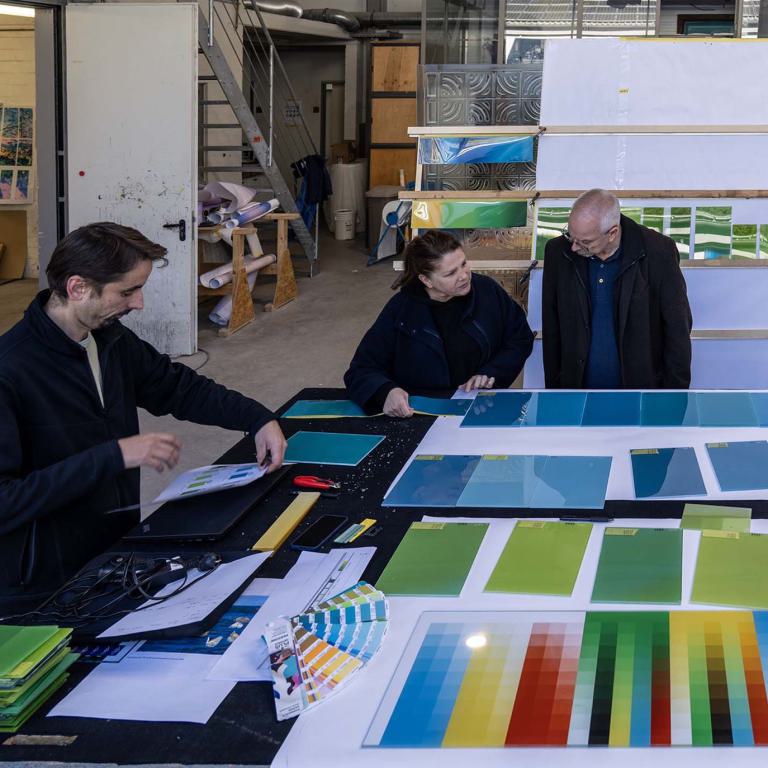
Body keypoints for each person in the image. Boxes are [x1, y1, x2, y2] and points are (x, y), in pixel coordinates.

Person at [0, 222, 287, 611]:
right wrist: (114, 455)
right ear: (78, 287)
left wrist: (256, 418)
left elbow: (177, 387)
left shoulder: (110, 339)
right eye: (127, 291)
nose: (139, 303)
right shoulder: (10, 370)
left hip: (112, 556)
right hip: (44, 586)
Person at [344, 230, 534, 417]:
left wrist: (491, 373)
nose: (464, 276)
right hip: (420, 412)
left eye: (464, 264)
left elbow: (520, 337)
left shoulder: (487, 291)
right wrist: (385, 392)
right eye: (450, 273)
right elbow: (361, 369)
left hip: (481, 407)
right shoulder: (401, 311)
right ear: (426, 280)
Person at [542, 189, 692, 390]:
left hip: (641, 394)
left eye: (585, 242)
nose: (574, 248)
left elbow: (677, 330)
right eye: (570, 236)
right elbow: (552, 328)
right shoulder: (557, 252)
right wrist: (554, 393)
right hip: (574, 393)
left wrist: (673, 396)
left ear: (612, 233)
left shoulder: (658, 251)